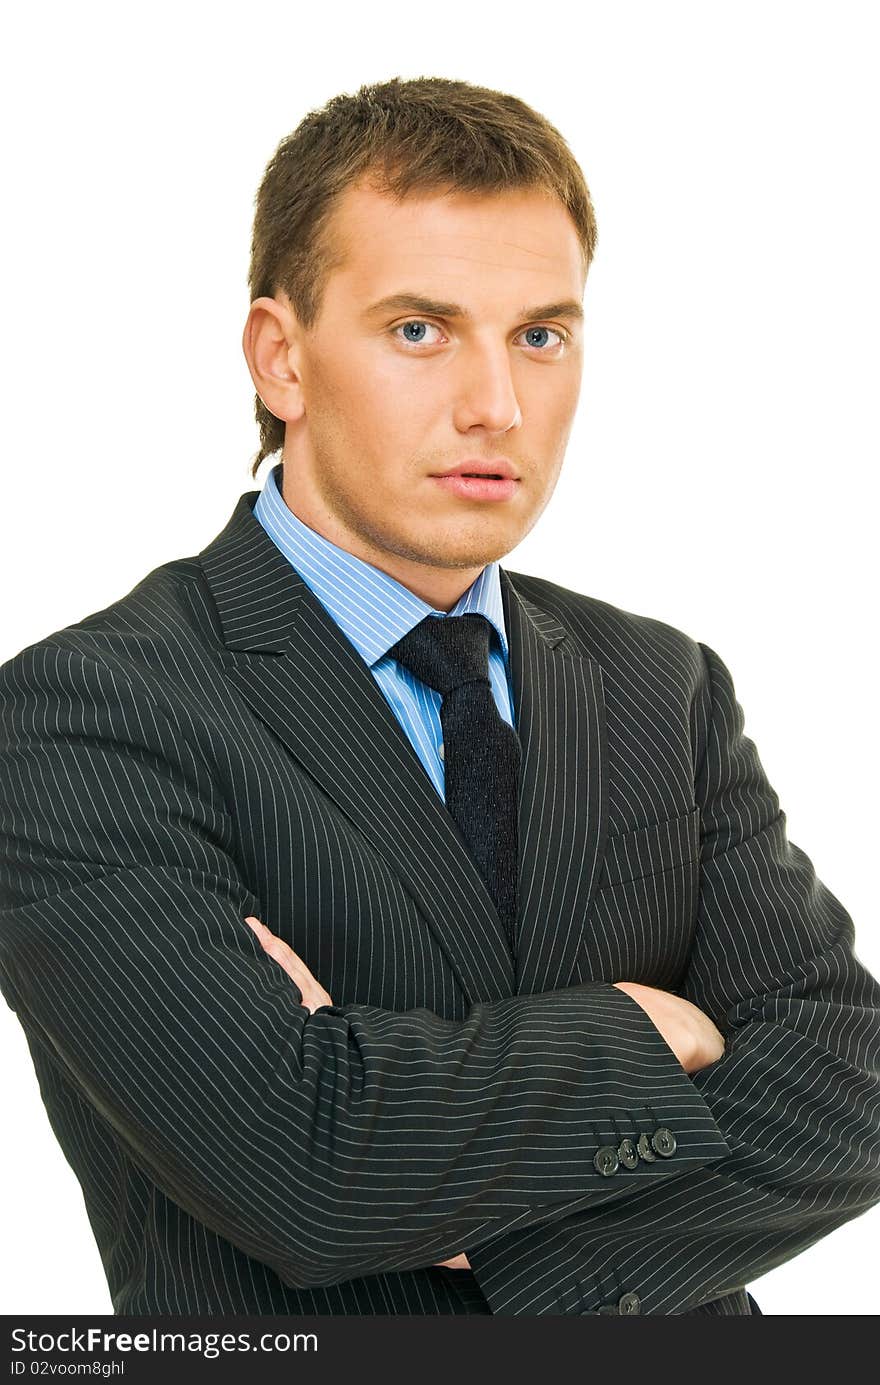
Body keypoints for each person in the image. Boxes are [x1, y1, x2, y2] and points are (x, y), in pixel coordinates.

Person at [1, 75, 878, 1318]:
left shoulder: (657, 681)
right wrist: (642, 1027)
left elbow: (845, 1075)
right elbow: (306, 1167)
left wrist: (543, 1258)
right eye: (420, 329)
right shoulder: (83, 717)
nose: (497, 405)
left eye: (540, 334)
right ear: (282, 358)